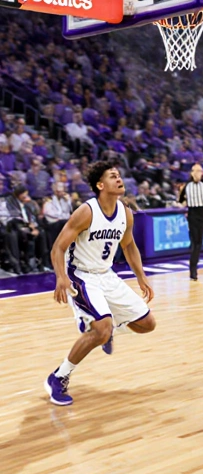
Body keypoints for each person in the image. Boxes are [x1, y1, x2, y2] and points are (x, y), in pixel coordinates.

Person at [45, 161, 156, 406]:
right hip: (81, 275)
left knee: (148, 324)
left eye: (119, 175)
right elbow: (58, 247)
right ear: (100, 185)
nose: (119, 179)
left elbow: (128, 245)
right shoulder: (87, 211)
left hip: (106, 274)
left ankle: (107, 332)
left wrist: (141, 275)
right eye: (113, 176)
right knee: (102, 327)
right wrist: (61, 277)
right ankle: (59, 376)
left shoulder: (125, 212)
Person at [177, 163, 203, 281]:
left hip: (201, 213)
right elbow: (180, 201)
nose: (198, 174)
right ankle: (193, 269)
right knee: (195, 242)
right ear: (192, 173)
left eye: (200, 171)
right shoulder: (186, 186)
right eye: (196, 171)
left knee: (198, 243)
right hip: (192, 214)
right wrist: (184, 205)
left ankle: (193, 265)